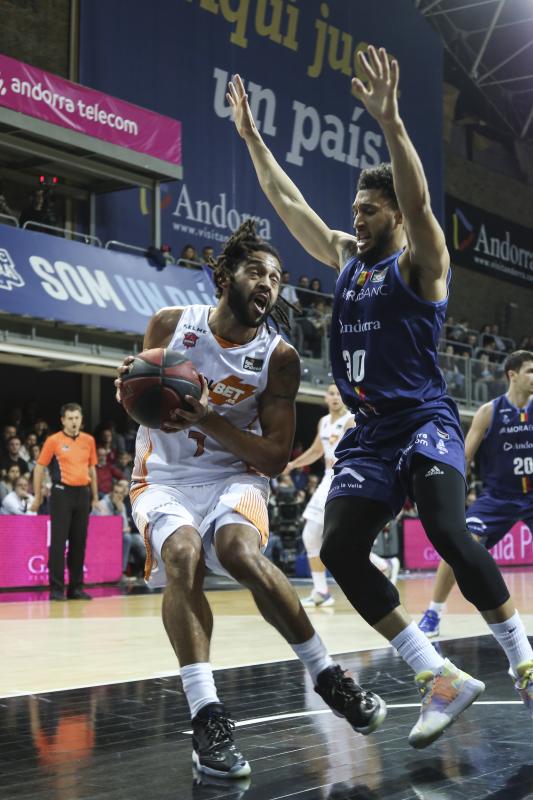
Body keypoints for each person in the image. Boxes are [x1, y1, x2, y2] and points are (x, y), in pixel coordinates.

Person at [228, 45, 533, 748]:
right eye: (356, 211)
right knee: (338, 549)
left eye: (368, 211)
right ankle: (437, 675)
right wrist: (251, 139)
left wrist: (392, 123)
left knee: (447, 529)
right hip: (370, 433)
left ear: (394, 214)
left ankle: (523, 659)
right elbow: (289, 203)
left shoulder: (422, 263)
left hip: (423, 418)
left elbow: (420, 200)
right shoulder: (347, 259)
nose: (356, 219)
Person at [115, 220, 386, 779]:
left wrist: (207, 418)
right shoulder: (170, 324)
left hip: (234, 474)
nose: (268, 283)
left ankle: (328, 676)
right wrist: (132, 385)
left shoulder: (278, 358)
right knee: (183, 555)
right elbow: (142, 399)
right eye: (257, 271)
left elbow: (273, 458)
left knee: (240, 551)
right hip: (162, 476)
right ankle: (207, 716)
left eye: (276, 277)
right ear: (225, 277)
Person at [419, 350, 533, 637]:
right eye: (530, 371)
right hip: (498, 497)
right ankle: (433, 612)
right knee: (460, 544)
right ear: (512, 375)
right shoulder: (489, 412)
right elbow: (464, 458)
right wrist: (453, 499)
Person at [285, 384, 400, 608]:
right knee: (312, 535)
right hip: (328, 479)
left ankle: (381, 565)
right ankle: (322, 590)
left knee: (335, 538)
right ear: (325, 397)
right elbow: (316, 451)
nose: (335, 397)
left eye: (339, 393)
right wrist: (292, 465)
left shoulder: (351, 420)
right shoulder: (323, 422)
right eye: (331, 393)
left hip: (345, 477)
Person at [31, 403, 99, 601]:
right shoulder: (53, 440)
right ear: (63, 420)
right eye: (70, 418)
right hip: (61, 493)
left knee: (79, 542)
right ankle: (57, 589)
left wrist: (95, 497)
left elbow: (92, 469)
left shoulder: (89, 440)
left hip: (82, 493)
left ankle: (76, 588)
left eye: (77, 418)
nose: (74, 422)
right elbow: (39, 468)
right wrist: (37, 497)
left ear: (81, 419)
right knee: (58, 543)